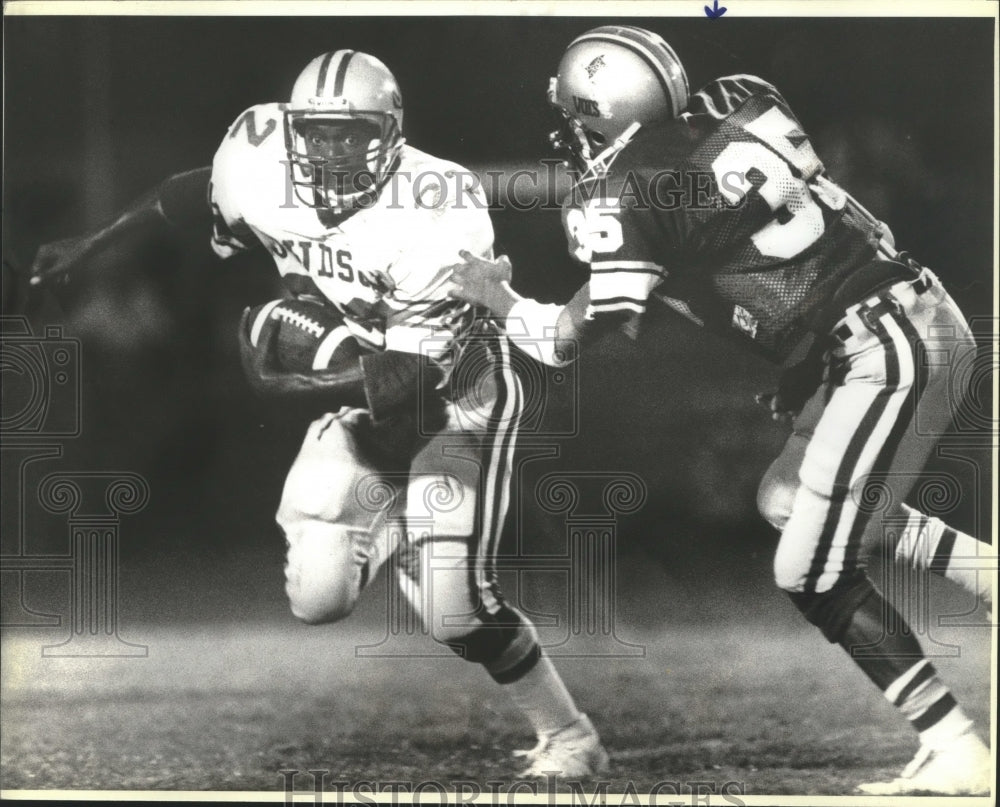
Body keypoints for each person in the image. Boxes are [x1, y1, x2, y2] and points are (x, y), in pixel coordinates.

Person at [30, 49, 608, 779]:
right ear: (293, 130)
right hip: (363, 398)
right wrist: (96, 242)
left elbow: (415, 383)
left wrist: (311, 366)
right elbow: (189, 194)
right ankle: (408, 536)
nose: (331, 150)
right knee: (318, 598)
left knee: (453, 608)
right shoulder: (259, 155)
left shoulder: (439, 201)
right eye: (317, 132)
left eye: (352, 133)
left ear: (391, 133)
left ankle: (570, 735)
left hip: (459, 399)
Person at [446, 25, 994, 796]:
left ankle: (957, 747)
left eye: (577, 119)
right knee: (788, 498)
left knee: (813, 571)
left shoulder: (622, 187)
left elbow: (582, 330)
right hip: (905, 317)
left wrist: (501, 301)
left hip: (881, 346)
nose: (573, 136)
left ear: (600, 113)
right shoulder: (742, 103)